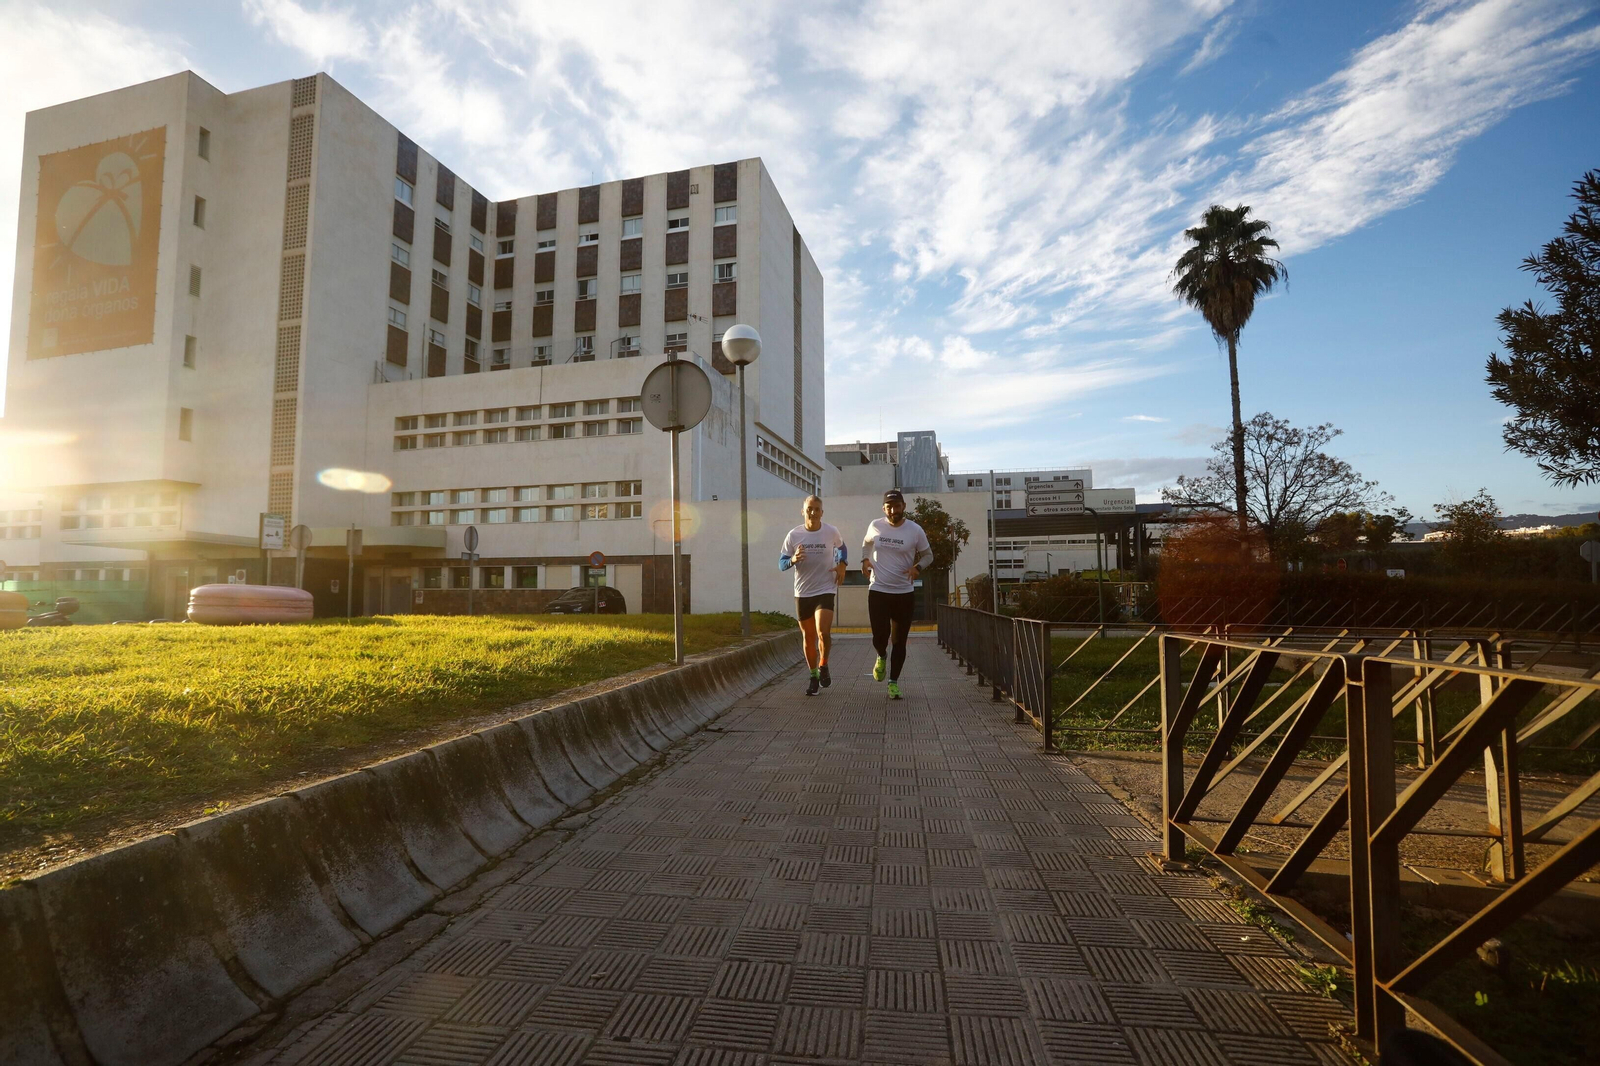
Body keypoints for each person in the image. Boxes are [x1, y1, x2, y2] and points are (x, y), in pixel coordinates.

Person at [861, 489, 933, 700]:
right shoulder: (875, 525)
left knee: (899, 641)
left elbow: (928, 555)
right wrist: (865, 560)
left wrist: (917, 567)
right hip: (878, 590)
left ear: (904, 506)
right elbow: (866, 543)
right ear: (884, 508)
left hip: (903, 593)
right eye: (889, 507)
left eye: (897, 506)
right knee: (879, 636)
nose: (894, 510)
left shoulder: (915, 530)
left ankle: (893, 682)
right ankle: (881, 655)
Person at [779, 495, 846, 696]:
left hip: (826, 588)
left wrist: (842, 564)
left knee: (822, 632)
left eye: (817, 509)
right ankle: (813, 676)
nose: (813, 512)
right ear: (803, 511)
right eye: (809, 508)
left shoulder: (831, 531)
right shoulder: (794, 535)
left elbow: (842, 548)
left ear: (822, 513)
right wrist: (793, 559)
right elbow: (781, 564)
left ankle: (824, 664)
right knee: (808, 637)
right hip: (803, 591)